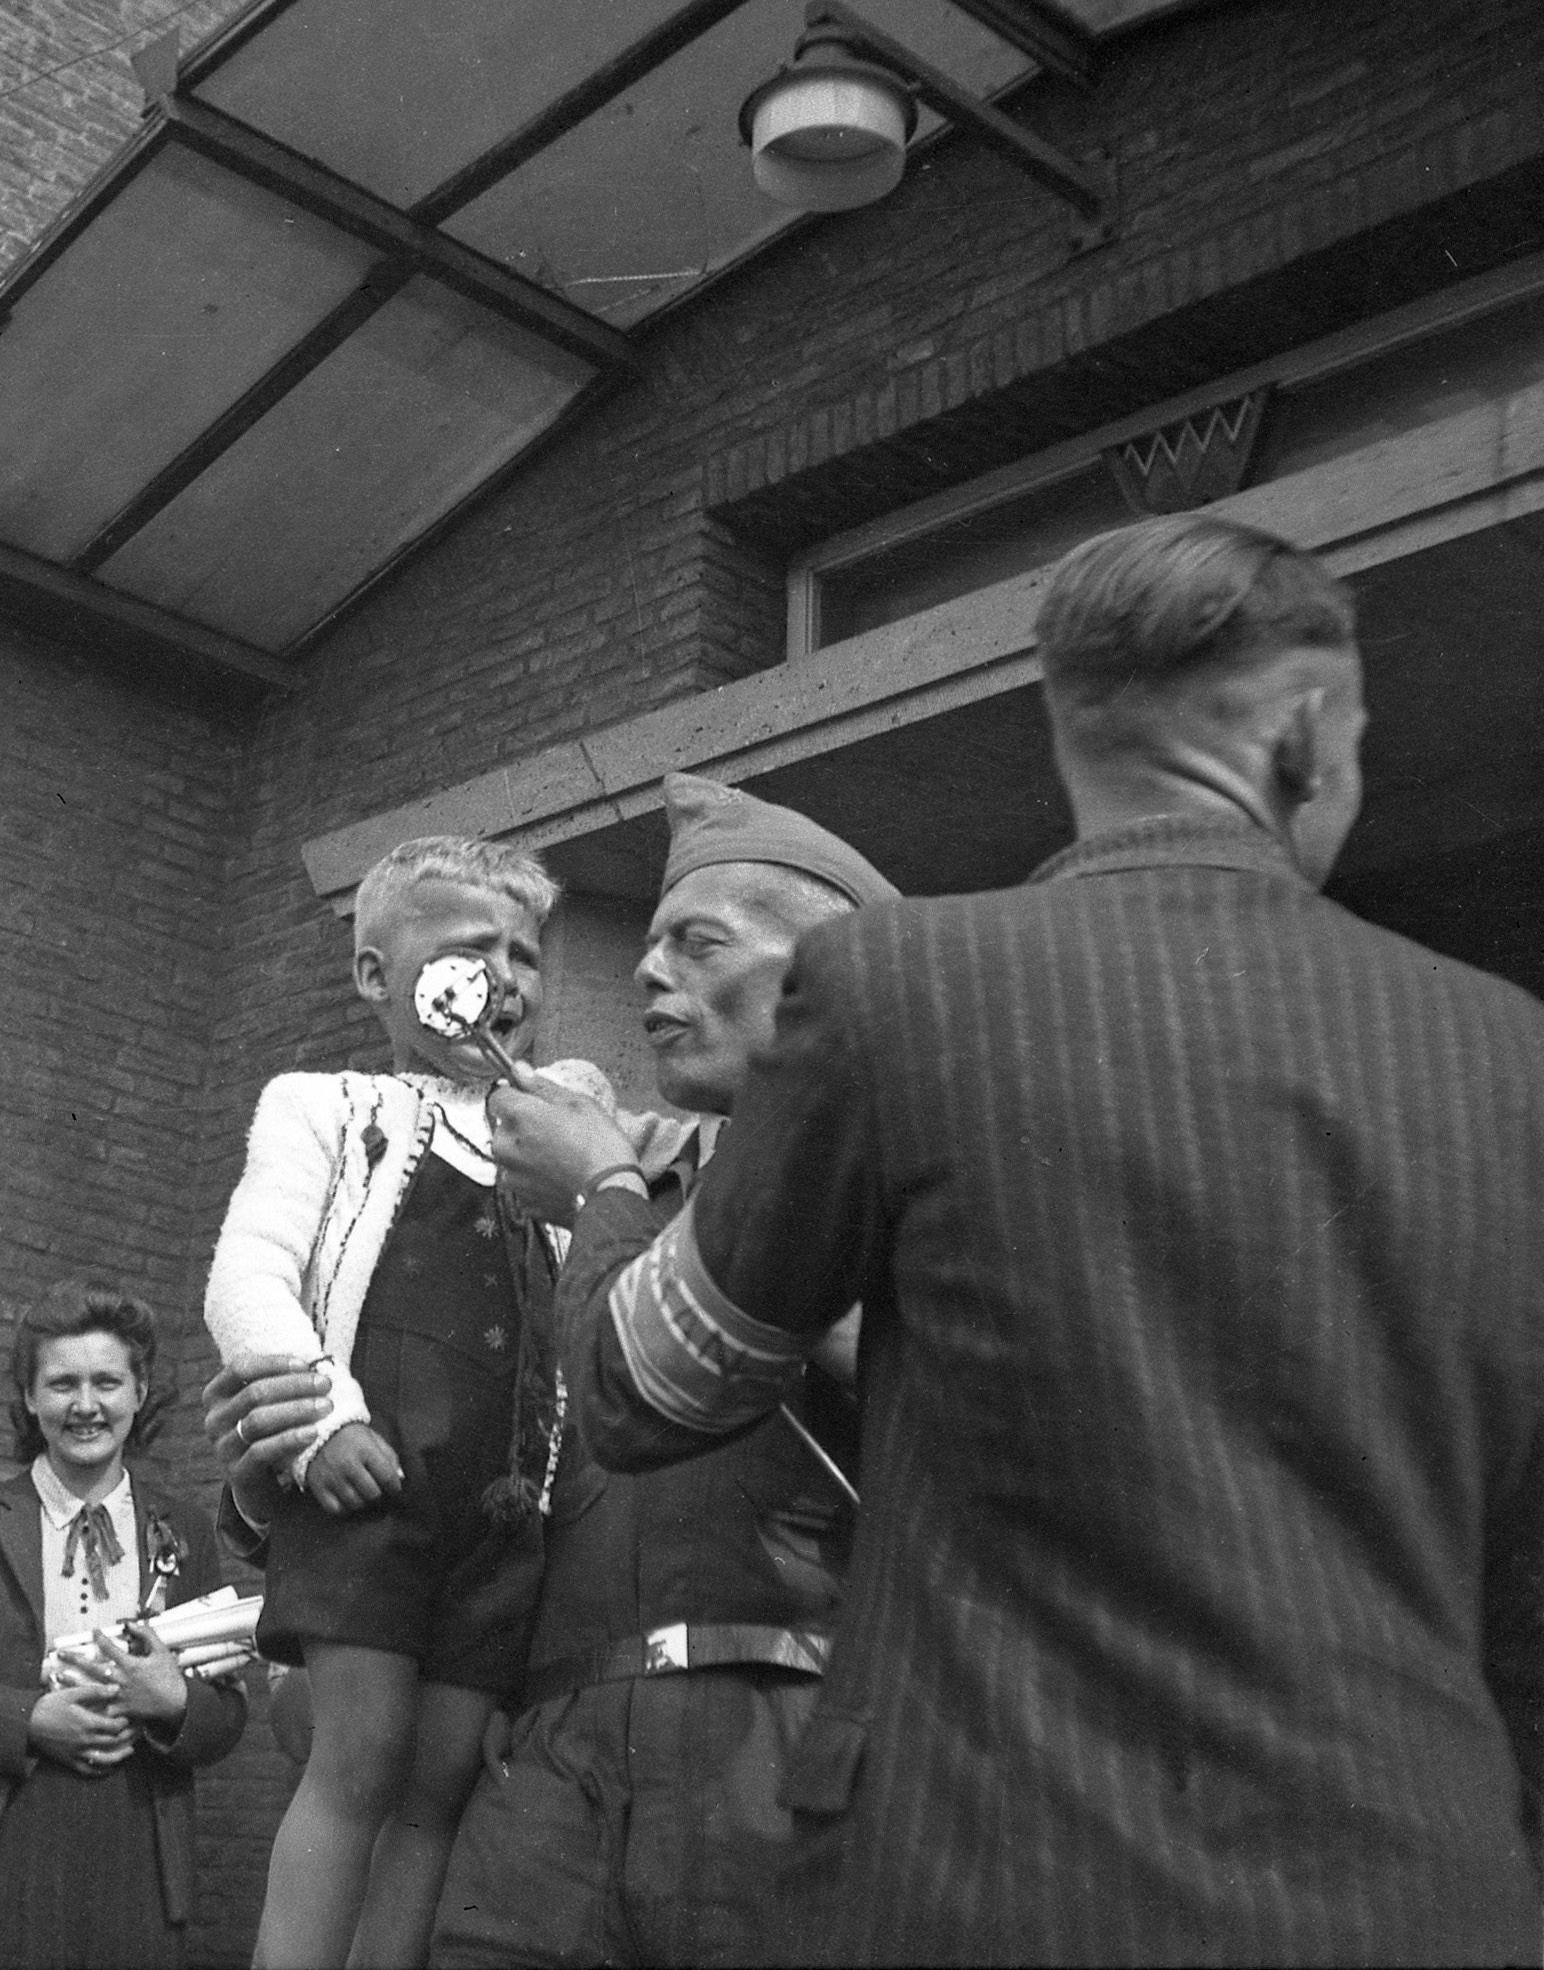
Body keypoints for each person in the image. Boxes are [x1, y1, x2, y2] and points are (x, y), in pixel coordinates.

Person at [565, 515, 1544, 1963]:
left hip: (985, 1874)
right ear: (1306, 738)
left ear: (1073, 731)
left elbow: (646, 1389)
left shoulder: (898, 988)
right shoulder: (1513, 1052)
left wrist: (616, 1179)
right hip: (1409, 1893)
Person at [210, 775, 894, 1967]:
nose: (645, 974)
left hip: (767, 1754)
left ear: (821, 977)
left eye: (697, 943)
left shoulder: (885, 1188)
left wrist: (609, 1194)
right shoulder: (589, 1154)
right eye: (649, 943)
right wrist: (276, 1455)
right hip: (544, 1777)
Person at [204, 836, 608, 1970]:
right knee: (362, 1755)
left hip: (504, 1505)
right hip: (371, 1482)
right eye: (473, 948)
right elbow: (248, 1277)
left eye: (525, 954)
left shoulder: (555, 1131)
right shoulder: (328, 1108)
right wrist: (321, 1421)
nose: (505, 977)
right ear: (377, 975)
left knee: (439, 1781)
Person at [0, 1280, 244, 1970]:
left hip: (136, 1858)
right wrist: (30, 1719)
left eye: (107, 1382)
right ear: (29, 1397)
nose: (85, 1405)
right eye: (62, 1384)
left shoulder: (184, 1529)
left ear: (139, 1391)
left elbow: (226, 1716)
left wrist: (175, 1703)